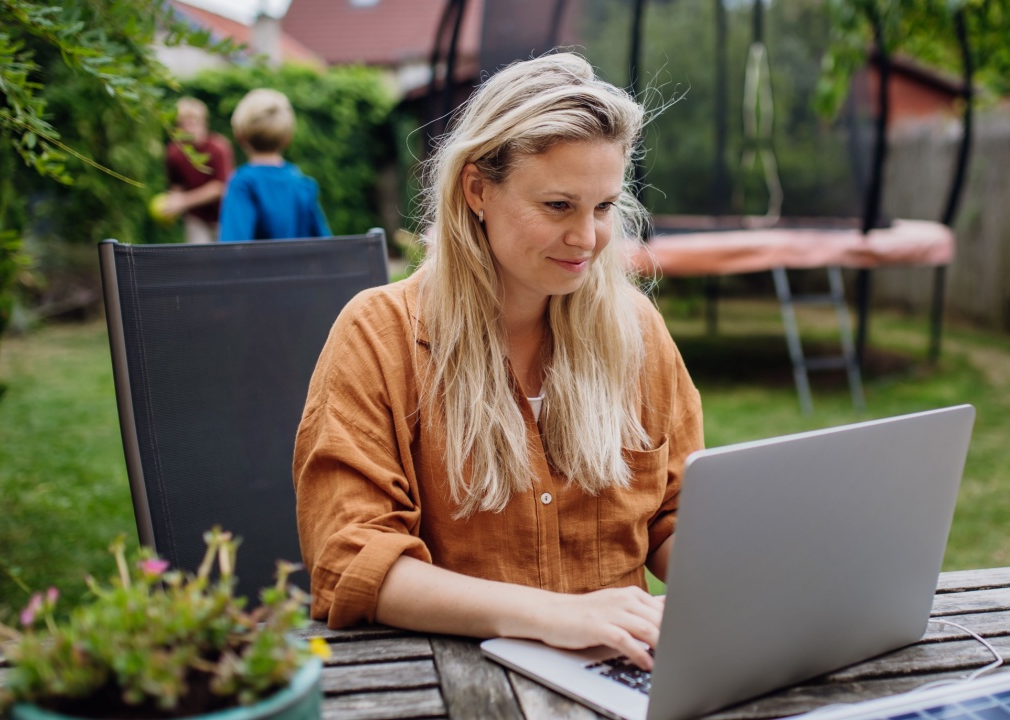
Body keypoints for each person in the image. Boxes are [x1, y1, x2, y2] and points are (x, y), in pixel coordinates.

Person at [293, 53, 703, 672]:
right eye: (559, 206)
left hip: (625, 675)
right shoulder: (381, 336)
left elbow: (674, 517)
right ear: (477, 189)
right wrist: (555, 615)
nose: (588, 238)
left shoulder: (636, 332)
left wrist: (749, 575)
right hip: (451, 680)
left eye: (602, 208)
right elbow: (352, 561)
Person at [218, 88, 330, 242]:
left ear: (240, 136)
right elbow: (326, 246)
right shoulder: (302, 185)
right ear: (287, 138)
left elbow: (232, 248)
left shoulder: (242, 184)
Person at [163, 97, 234, 244]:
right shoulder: (174, 152)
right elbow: (177, 185)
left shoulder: (219, 148)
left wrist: (184, 201)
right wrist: (172, 204)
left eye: (194, 121)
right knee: (199, 261)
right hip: (196, 218)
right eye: (184, 123)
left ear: (204, 123)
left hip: (222, 215)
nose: (189, 127)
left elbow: (220, 187)